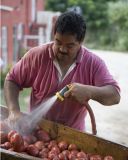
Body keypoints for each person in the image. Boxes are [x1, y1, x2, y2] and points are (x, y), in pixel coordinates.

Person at [4, 11, 120, 132]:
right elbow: (12, 80)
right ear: (54, 36)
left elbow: (115, 96)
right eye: (58, 42)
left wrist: (89, 91)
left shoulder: (93, 63)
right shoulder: (36, 56)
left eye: (70, 46)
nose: (62, 49)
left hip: (73, 137)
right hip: (35, 131)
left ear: (81, 42)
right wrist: (14, 111)